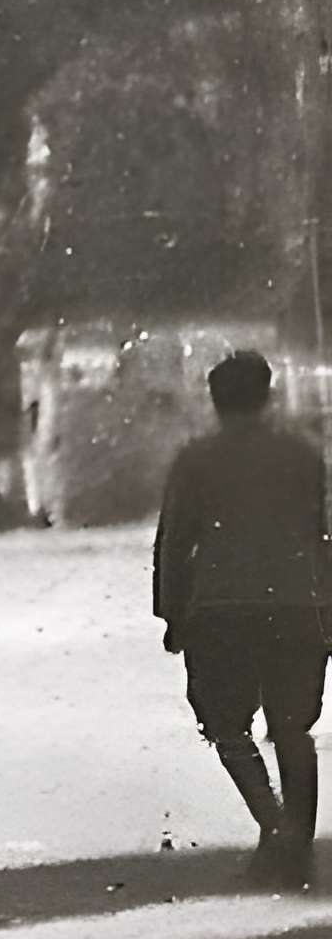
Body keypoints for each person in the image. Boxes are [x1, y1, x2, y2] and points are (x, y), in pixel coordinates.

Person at [155, 349, 332, 890]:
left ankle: (274, 827)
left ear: (214, 400)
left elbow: (175, 539)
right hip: (297, 605)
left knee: (228, 726)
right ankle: (293, 844)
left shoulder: (196, 460)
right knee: (293, 728)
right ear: (268, 393)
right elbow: (322, 534)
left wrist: (170, 612)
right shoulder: (301, 456)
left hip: (220, 608)